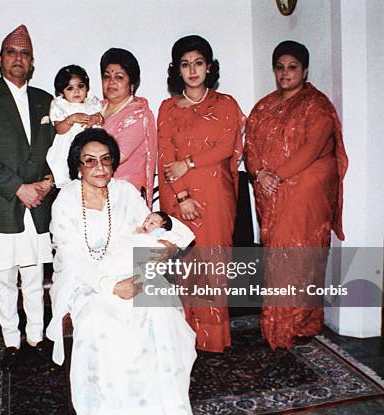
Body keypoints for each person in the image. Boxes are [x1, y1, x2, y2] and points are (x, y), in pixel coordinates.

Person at [47, 128, 196, 415]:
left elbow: (153, 229)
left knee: (159, 311)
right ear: (77, 167)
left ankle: (157, 403)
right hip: (85, 281)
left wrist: (165, 248)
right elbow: (73, 259)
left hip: (132, 270)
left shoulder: (125, 191)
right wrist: (112, 287)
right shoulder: (65, 201)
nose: (99, 167)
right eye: (89, 161)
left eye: (106, 159)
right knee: (99, 320)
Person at [245, 40, 348, 350]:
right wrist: (260, 174)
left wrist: (278, 176)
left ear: (305, 70)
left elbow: (313, 148)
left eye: (292, 67)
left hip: (303, 197)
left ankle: (300, 323)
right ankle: (278, 323)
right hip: (271, 190)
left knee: (301, 258)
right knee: (277, 256)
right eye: (280, 67)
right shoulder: (263, 106)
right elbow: (250, 146)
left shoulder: (316, 105)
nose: (285, 73)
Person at [0, 25, 55, 370]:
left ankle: (35, 340)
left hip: (39, 205)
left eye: (24, 54)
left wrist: (49, 182)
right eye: (11, 52)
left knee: (34, 278)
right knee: (4, 281)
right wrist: (19, 187)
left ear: (32, 62)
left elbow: (59, 150)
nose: (18, 59)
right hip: (1, 203)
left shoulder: (45, 100)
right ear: (1, 59)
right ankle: (12, 344)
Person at [157, 35, 244, 353]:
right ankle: (184, 340)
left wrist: (188, 162)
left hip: (217, 197)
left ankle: (211, 341)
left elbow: (225, 146)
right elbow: (165, 155)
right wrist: (181, 196)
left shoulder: (226, 105)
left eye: (197, 62)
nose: (192, 70)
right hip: (179, 198)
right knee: (186, 267)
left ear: (209, 67)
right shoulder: (167, 108)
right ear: (176, 70)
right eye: (184, 64)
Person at [100, 48, 157, 209]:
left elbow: (115, 156)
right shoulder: (94, 109)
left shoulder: (139, 114)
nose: (111, 82)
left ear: (132, 83)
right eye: (106, 76)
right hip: (93, 196)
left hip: (124, 199)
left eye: (119, 77)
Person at [47, 65, 103, 188]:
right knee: (67, 169)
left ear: (87, 88)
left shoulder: (91, 103)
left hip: (90, 145)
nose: (76, 91)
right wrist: (70, 119)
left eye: (80, 86)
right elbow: (59, 129)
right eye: (70, 88)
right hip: (68, 145)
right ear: (62, 92)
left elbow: (101, 118)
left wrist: (95, 119)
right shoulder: (60, 105)